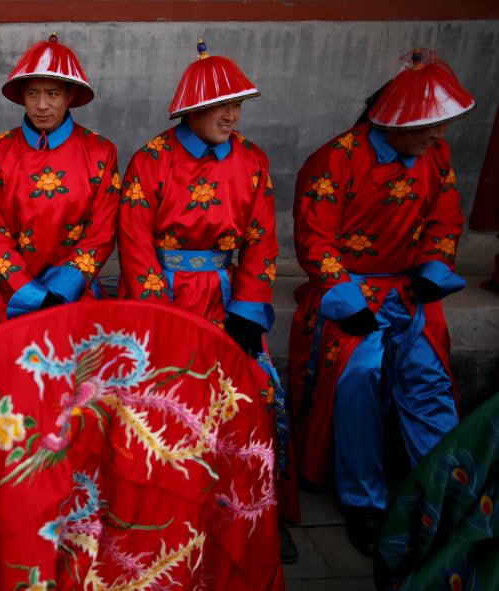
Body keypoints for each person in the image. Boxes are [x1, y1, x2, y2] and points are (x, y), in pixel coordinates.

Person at [288, 48, 474, 557]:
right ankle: (364, 501)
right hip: (346, 290)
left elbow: (445, 220)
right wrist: (347, 298)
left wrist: (436, 268)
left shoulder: (436, 156)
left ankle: (445, 492)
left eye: (442, 126)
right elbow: (314, 242)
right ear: (393, 121)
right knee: (360, 373)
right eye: (427, 127)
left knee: (428, 374)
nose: (438, 135)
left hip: (411, 289)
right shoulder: (335, 159)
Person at [116, 39, 295, 562]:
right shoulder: (151, 160)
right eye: (221, 106)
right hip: (165, 297)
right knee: (159, 397)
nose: (232, 115)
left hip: (225, 296)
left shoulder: (253, 159)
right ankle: (159, 515)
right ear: (192, 109)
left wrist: (246, 310)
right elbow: (134, 243)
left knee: (257, 393)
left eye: (237, 105)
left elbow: (262, 240)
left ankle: (257, 511)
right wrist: (160, 313)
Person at [0, 34, 120, 324]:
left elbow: (101, 233)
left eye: (52, 94)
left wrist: (63, 290)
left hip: (77, 291)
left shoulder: (101, 152)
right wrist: (28, 294)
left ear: (70, 96)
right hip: (12, 292)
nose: (41, 105)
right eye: (32, 93)